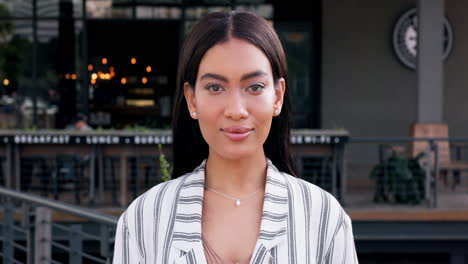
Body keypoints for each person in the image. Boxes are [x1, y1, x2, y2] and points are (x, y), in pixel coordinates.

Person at [113, 11, 358, 264]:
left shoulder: (324, 218)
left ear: (277, 96)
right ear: (191, 99)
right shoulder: (143, 219)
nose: (236, 110)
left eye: (254, 87)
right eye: (215, 88)